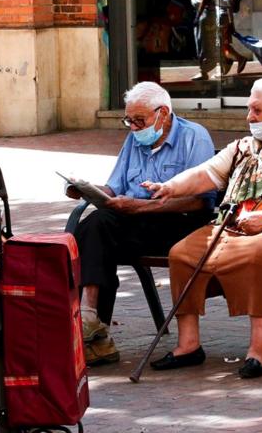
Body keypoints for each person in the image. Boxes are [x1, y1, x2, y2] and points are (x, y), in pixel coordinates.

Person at [142, 77, 262, 378]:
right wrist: (170, 187)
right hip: (236, 226)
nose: (249, 117)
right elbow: (206, 174)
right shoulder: (242, 146)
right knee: (181, 254)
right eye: (248, 109)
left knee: (260, 252)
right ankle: (189, 345)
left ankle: (259, 350)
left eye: (257, 110)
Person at [70, 82, 216, 365]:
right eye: (130, 121)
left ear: (162, 114)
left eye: (140, 121)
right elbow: (115, 187)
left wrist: (144, 206)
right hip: (134, 220)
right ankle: (91, 323)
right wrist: (88, 190)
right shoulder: (134, 140)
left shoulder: (194, 137)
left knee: (98, 229)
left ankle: (91, 323)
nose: (134, 127)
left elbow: (201, 200)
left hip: (177, 223)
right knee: (90, 229)